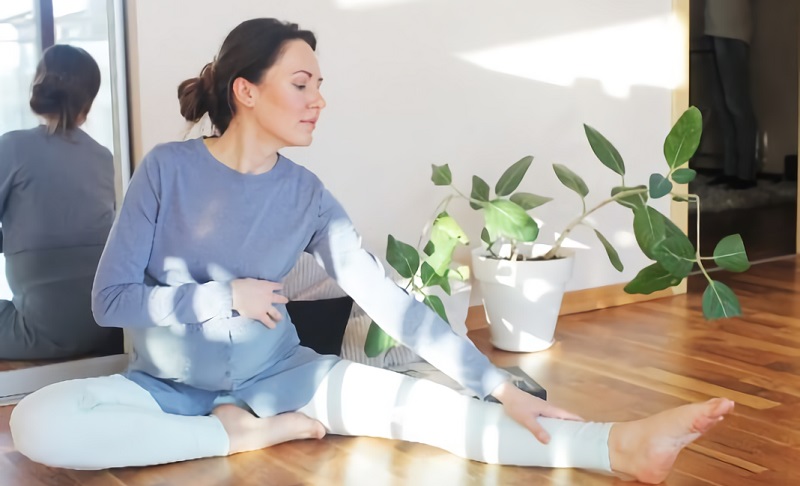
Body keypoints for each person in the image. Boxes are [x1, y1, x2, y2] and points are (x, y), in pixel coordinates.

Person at [9, 19, 733, 484]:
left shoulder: (308, 195)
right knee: (38, 422)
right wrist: (224, 296)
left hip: (285, 378)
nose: (319, 99)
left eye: (320, 85)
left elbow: (390, 301)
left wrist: (496, 384)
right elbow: (111, 300)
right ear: (246, 92)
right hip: (167, 387)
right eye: (301, 83)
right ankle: (231, 437)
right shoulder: (165, 170)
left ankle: (617, 447)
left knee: (426, 410)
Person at [0, 45, 122, 359]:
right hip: (105, 331)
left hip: (39, 334)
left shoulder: (12, 147)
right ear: (88, 103)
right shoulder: (105, 158)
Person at [704, 0, 759, 189]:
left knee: (737, 104)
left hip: (734, 29)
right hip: (713, 27)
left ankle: (745, 173)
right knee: (722, 105)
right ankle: (730, 170)